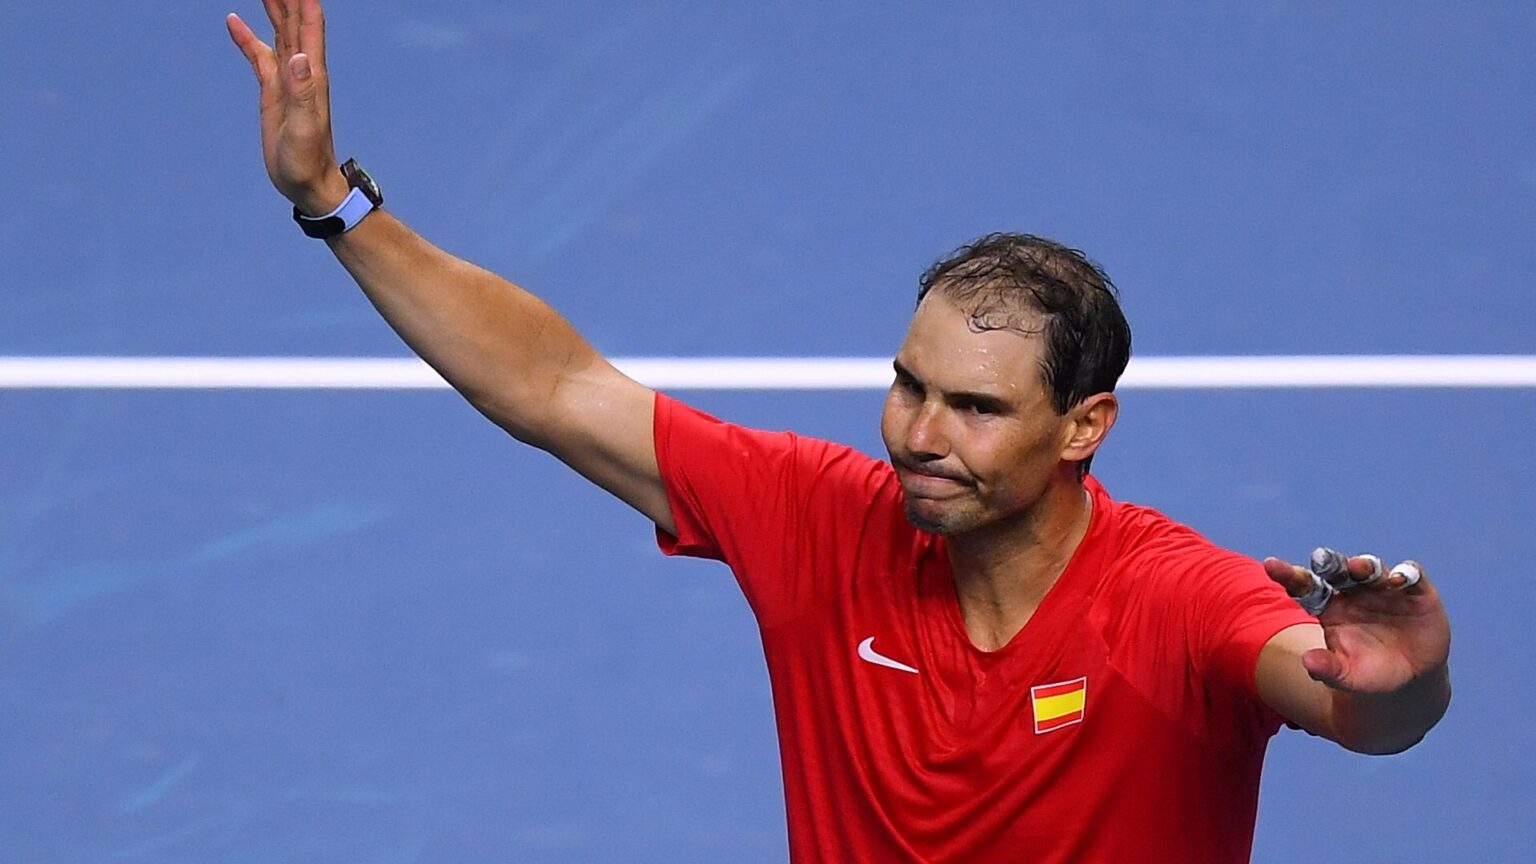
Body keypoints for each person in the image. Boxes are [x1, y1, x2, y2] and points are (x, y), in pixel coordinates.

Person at [226, 2, 1453, 861]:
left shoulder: (1181, 599)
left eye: (977, 409)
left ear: (1086, 426)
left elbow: (1350, 706)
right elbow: (556, 388)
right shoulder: (821, 517)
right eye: (910, 385)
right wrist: (335, 204)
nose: (921, 434)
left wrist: (1409, 684)